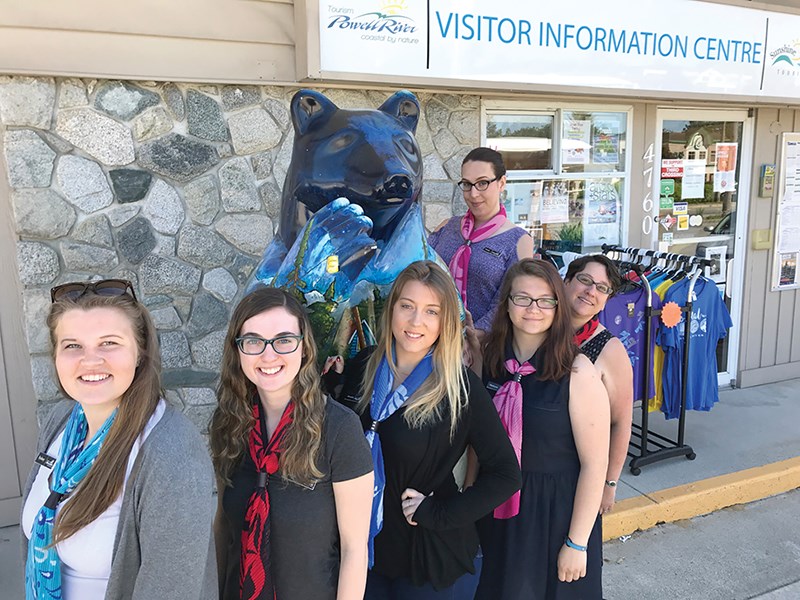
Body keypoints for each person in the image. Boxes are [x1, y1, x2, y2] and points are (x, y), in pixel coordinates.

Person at [334, 260, 521, 599]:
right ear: (392, 309)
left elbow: (507, 475)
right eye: (407, 306)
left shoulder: (460, 388)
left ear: (444, 321)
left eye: (431, 311)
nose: (416, 321)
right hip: (361, 549)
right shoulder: (363, 366)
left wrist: (440, 513)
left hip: (426, 557)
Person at [21, 279, 216, 600]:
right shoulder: (61, 421)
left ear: (140, 353)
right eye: (72, 345)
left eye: (109, 343)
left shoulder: (170, 452)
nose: (90, 360)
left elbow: (173, 590)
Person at [211, 287, 373, 600]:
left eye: (284, 340)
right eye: (253, 341)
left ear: (304, 348)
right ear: (238, 350)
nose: (268, 354)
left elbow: (355, 550)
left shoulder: (338, 429)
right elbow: (223, 529)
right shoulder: (229, 423)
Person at [475, 259, 610, 600]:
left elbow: (595, 464)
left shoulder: (577, 371)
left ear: (557, 307)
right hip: (499, 509)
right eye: (522, 298)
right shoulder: (490, 361)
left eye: (545, 300)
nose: (533, 309)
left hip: (556, 515)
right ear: (506, 304)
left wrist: (577, 542)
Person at [428, 146, 534, 336]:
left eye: (482, 183)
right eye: (467, 184)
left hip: (480, 350)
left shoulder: (518, 241)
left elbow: (507, 301)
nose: (473, 194)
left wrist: (470, 338)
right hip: (431, 336)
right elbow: (422, 274)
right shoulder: (446, 227)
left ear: (501, 183)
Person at [564, 255, 633, 514]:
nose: (591, 291)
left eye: (602, 288)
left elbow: (621, 422)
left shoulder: (609, 349)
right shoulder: (539, 330)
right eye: (585, 280)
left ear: (606, 299)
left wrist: (609, 484)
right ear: (567, 281)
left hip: (581, 474)